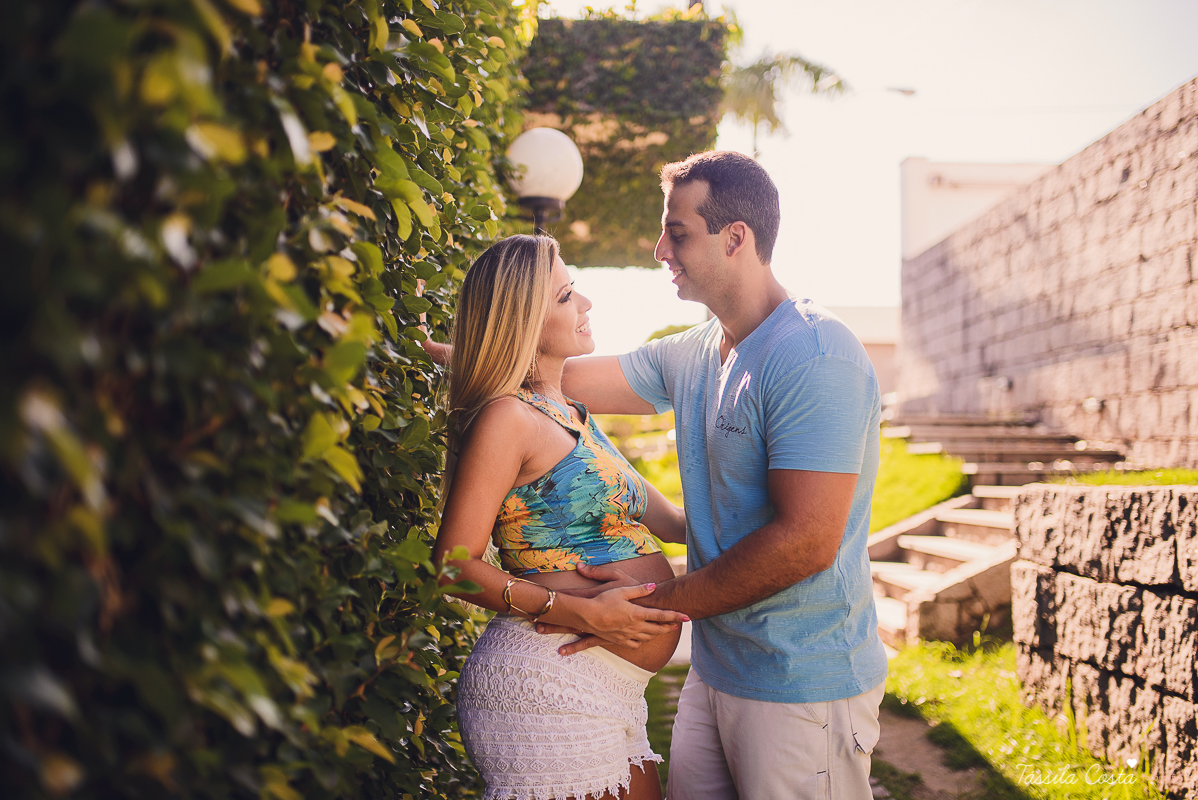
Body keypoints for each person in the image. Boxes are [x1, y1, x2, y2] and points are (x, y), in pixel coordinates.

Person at [535, 151, 889, 799]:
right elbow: (553, 380)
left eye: (678, 232)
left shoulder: (813, 355)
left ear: (736, 238)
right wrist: (453, 349)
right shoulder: (695, 351)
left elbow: (805, 543)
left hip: (800, 686)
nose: (657, 249)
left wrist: (645, 608)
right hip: (718, 670)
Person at [429, 234, 690, 800]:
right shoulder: (508, 418)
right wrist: (580, 611)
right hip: (547, 680)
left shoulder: (574, 414)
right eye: (567, 295)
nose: (587, 304)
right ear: (522, 318)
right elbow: (452, 567)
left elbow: (672, 521)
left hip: (611, 688)